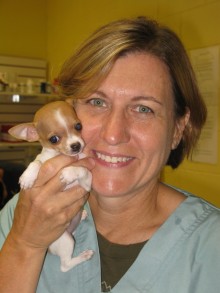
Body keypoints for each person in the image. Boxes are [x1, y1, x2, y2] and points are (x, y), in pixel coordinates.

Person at [0, 16, 219, 293]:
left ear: (177, 129)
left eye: (143, 109)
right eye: (97, 102)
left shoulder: (211, 249)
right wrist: (23, 245)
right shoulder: (21, 214)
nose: (114, 134)